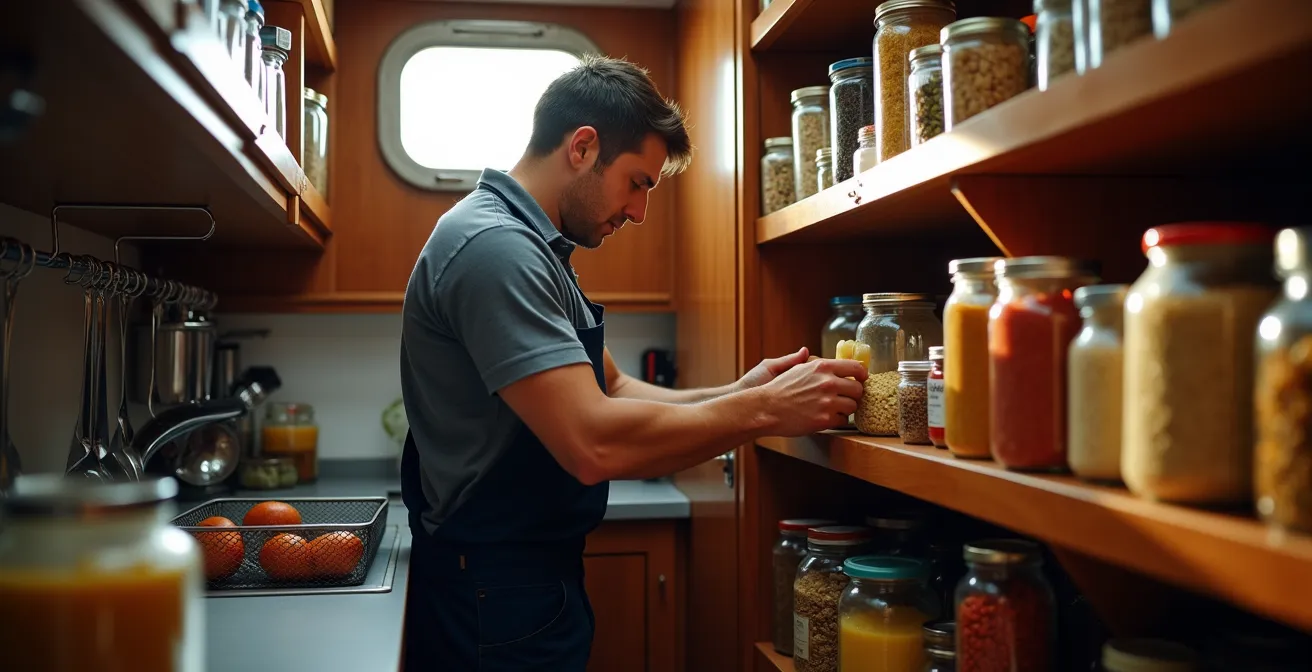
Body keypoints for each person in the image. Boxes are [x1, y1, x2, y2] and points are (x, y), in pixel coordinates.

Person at [399, 55, 866, 671]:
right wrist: (763, 410)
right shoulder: (496, 250)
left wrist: (737, 391)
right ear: (583, 147)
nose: (640, 211)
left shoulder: (535, 247)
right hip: (493, 590)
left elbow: (611, 389)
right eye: (638, 183)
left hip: (524, 578)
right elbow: (592, 443)